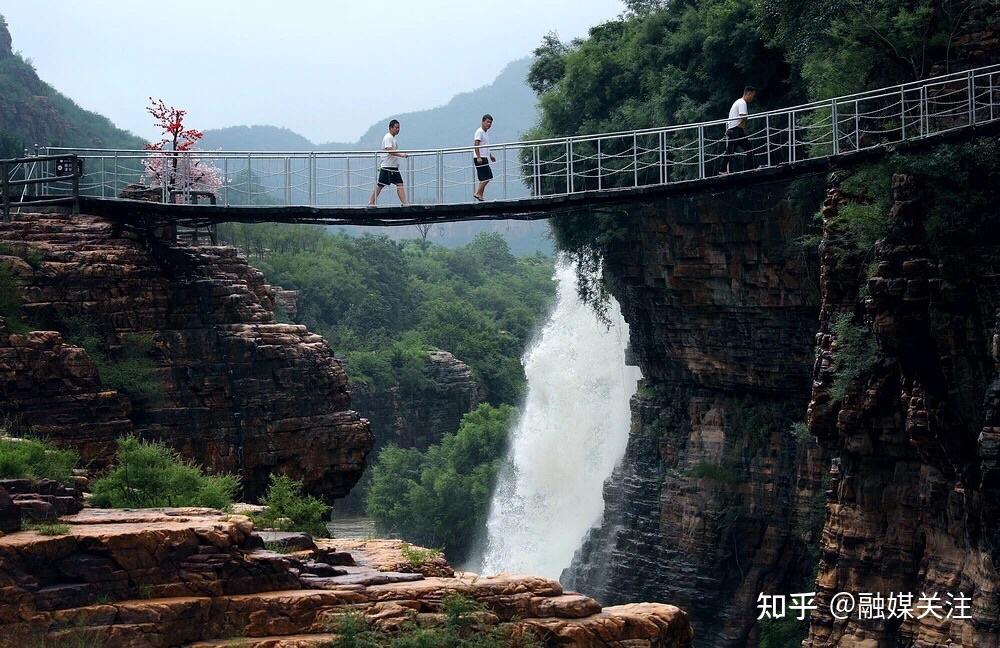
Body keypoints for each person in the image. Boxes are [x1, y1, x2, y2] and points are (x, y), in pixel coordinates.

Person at [369, 119, 408, 206]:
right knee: (380, 185)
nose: (398, 129)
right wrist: (402, 155)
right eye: (396, 127)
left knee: (399, 184)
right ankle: (371, 202)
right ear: (390, 128)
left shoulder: (392, 138)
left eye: (399, 128)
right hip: (387, 166)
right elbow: (389, 150)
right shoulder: (388, 137)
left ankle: (405, 203)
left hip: (393, 166)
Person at [721, 86, 756, 174]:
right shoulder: (742, 103)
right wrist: (742, 125)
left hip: (735, 129)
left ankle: (750, 168)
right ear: (749, 93)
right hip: (735, 129)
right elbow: (743, 116)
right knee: (731, 150)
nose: (753, 98)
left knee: (745, 148)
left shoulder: (739, 102)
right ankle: (722, 169)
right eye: (752, 95)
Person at [472, 114, 495, 201]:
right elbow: (476, 144)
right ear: (483, 121)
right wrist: (478, 157)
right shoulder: (479, 131)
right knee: (486, 177)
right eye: (487, 122)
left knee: (487, 177)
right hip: (480, 157)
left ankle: (480, 195)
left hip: (484, 157)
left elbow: (485, 146)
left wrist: (490, 155)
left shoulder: (486, 132)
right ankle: (477, 193)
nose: (489, 124)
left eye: (490, 123)